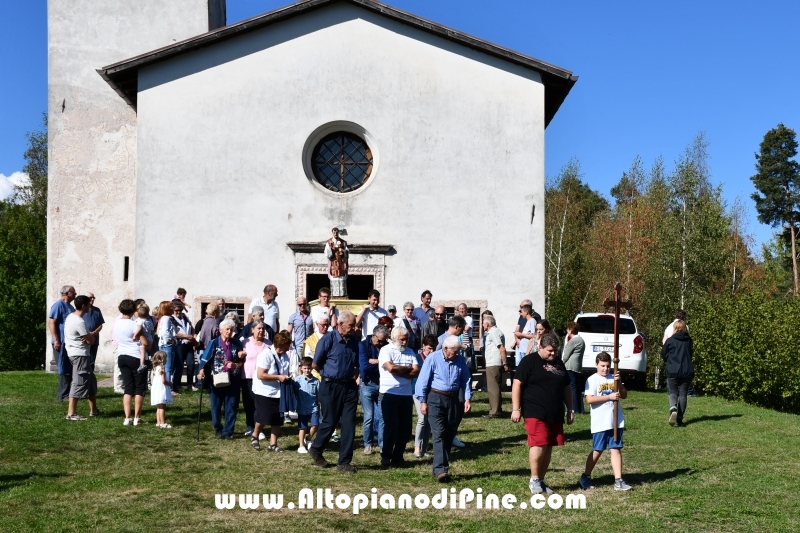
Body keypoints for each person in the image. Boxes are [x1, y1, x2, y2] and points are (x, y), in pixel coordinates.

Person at [511, 332, 574, 495]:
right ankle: (533, 479)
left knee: (549, 446)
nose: (553, 353)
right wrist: (516, 408)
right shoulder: (529, 362)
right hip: (534, 410)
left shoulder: (559, 363)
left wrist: (570, 408)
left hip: (555, 411)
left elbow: (567, 386)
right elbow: (517, 384)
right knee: (539, 443)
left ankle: (540, 479)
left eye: (555, 351)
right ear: (540, 347)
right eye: (549, 350)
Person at [414, 335, 472, 482]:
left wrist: (467, 398)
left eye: (459, 351)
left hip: (453, 399)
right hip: (435, 398)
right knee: (439, 433)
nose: (457, 354)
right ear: (446, 349)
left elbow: (466, 378)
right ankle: (442, 469)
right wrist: (423, 401)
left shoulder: (459, 360)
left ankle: (438, 466)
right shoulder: (433, 358)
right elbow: (422, 381)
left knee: (449, 432)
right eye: (455, 351)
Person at [309, 311, 360, 473]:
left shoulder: (354, 341)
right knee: (330, 421)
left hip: (349, 387)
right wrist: (330, 373)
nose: (353, 328)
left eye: (354, 325)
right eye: (351, 325)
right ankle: (316, 449)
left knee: (349, 423)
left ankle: (344, 461)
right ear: (340, 325)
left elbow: (356, 363)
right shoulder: (328, 340)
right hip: (330, 386)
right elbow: (316, 364)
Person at [579, 351, 631, 491]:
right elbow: (590, 399)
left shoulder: (613, 378)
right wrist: (609, 397)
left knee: (616, 448)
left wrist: (619, 382)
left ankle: (618, 480)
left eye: (607, 366)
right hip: (600, 421)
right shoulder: (592, 380)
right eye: (602, 365)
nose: (605, 369)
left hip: (615, 421)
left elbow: (624, 395)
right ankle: (586, 476)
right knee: (598, 449)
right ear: (596, 365)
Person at [378, 326, 420, 468]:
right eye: (402, 339)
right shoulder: (386, 350)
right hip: (389, 393)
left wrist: (401, 370)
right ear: (395, 339)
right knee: (391, 426)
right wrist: (407, 368)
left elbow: (416, 371)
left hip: (406, 394)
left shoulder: (410, 352)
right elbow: (391, 368)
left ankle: (398, 456)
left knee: (406, 428)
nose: (405, 342)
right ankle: (386, 456)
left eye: (406, 339)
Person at [197, 319, 246, 439]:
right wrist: (201, 370)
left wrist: (235, 365)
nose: (229, 332)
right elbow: (205, 358)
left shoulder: (236, 343)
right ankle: (218, 428)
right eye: (227, 329)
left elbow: (242, 362)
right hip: (216, 379)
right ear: (221, 330)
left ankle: (228, 431)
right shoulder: (214, 343)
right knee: (216, 406)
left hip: (232, 378)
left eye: (231, 329)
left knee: (231, 405)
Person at [249, 331, 291, 451]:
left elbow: (285, 371)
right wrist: (278, 377)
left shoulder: (285, 355)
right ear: (279, 345)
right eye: (286, 346)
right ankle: (255, 435)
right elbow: (261, 375)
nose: (288, 349)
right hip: (264, 391)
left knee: (277, 418)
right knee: (264, 417)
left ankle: (273, 444)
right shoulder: (265, 355)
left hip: (278, 391)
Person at [113, 299, 150, 426]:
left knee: (128, 388)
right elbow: (144, 342)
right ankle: (137, 417)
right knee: (140, 388)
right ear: (134, 310)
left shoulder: (116, 323)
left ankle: (127, 418)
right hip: (135, 356)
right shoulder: (134, 324)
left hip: (122, 356)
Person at [64, 295, 100, 420]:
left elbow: (87, 338)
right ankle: (71, 413)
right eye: (89, 304)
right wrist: (91, 337)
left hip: (76, 353)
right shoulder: (79, 321)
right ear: (84, 306)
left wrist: (89, 337)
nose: (91, 305)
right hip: (80, 354)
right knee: (79, 382)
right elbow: (90, 341)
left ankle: (94, 410)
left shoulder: (70, 317)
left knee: (91, 382)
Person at [435, 315, 469, 448]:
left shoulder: (456, 339)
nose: (462, 331)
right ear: (457, 327)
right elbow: (435, 358)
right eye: (461, 329)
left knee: (458, 409)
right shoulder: (442, 340)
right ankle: (447, 435)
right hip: (443, 384)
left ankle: (451, 434)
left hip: (457, 379)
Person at [359, 324, 389, 455]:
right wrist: (382, 362)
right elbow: (364, 366)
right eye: (380, 340)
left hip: (382, 384)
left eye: (384, 340)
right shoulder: (363, 345)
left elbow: (390, 365)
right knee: (369, 417)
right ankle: (368, 444)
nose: (382, 343)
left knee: (382, 417)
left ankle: (382, 444)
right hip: (367, 384)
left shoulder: (386, 346)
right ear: (373, 336)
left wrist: (375, 361)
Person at [661, 319, 694, 426]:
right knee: (683, 394)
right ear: (685, 328)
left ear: (675, 328)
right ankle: (680, 418)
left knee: (673, 392)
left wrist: (669, 361)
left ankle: (673, 409)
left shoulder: (670, 340)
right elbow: (690, 353)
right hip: (686, 370)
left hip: (672, 369)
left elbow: (664, 354)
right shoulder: (689, 341)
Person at [242, 320, 271, 440]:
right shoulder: (245, 342)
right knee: (249, 403)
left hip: (262, 378)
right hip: (248, 377)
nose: (261, 331)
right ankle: (250, 426)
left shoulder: (269, 344)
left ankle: (260, 428)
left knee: (261, 404)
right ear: (252, 330)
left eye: (263, 328)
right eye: (258, 328)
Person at [157, 301, 193, 396]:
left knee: (179, 365)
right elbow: (165, 333)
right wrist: (171, 340)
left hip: (169, 345)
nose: (172, 310)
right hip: (168, 345)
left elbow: (171, 330)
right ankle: (169, 389)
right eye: (171, 308)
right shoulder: (166, 319)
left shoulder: (167, 319)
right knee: (168, 368)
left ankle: (174, 385)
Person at [49, 285, 76, 402]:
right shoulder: (58, 305)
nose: (75, 294)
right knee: (63, 368)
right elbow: (51, 323)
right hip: (60, 343)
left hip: (69, 342)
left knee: (69, 369)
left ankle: (68, 394)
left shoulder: (71, 307)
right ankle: (62, 396)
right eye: (73, 292)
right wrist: (56, 340)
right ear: (67, 293)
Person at [413, 334, 437, 458]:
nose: (431, 351)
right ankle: (417, 447)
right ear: (423, 347)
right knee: (422, 419)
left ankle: (424, 448)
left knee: (428, 421)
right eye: (429, 348)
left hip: (431, 392)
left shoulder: (435, 359)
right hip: (417, 392)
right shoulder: (417, 358)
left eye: (433, 348)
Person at [482, 315, 508, 418]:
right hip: (493, 363)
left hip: (494, 363)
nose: (482, 324)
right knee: (494, 387)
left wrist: (505, 363)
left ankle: (495, 411)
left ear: (487, 324)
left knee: (493, 388)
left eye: (483, 323)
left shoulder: (493, 332)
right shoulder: (495, 331)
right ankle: (496, 409)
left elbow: (501, 348)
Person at [294, 357, 320, 454]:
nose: (307, 370)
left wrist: (319, 404)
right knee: (302, 427)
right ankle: (301, 445)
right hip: (302, 408)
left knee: (315, 425)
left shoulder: (316, 381)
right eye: (305, 368)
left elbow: (319, 395)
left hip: (313, 407)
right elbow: (294, 393)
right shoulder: (297, 380)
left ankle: (308, 438)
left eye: (308, 368)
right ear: (301, 368)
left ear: (312, 368)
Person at [562, 321, 587, 414]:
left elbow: (566, 355)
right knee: (576, 388)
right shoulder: (581, 340)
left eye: (568, 329)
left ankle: (575, 409)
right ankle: (580, 408)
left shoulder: (573, 341)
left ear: (571, 330)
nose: (567, 330)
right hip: (577, 366)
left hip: (570, 366)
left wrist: (561, 363)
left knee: (572, 388)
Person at [172, 300, 194, 393]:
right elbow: (174, 333)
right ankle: (178, 384)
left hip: (188, 344)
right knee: (179, 365)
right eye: (176, 310)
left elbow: (191, 328)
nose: (178, 312)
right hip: (179, 344)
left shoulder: (185, 317)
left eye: (180, 310)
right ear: (173, 310)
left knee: (191, 363)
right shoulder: (171, 319)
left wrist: (192, 336)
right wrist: (186, 336)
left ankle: (190, 384)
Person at [150, 350, 174, 429]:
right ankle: (163, 423)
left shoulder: (155, 368)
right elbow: (163, 381)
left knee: (158, 407)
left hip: (156, 389)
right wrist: (170, 383)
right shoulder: (162, 369)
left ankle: (158, 422)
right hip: (161, 389)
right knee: (162, 406)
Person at [83, 292, 105, 372]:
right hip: (84, 339)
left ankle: (90, 377)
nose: (92, 299)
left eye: (93, 298)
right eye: (90, 298)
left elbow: (100, 325)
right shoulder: (81, 310)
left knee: (92, 360)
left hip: (94, 339)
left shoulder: (97, 310)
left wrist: (94, 332)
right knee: (84, 359)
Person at [325, 227, 350, 297]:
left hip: (341, 264)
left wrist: (344, 251)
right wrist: (330, 249)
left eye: (337, 232)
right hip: (333, 264)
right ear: (332, 233)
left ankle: (343, 295)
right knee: (334, 279)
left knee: (341, 279)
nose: (335, 233)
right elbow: (327, 254)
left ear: (338, 232)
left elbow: (347, 252)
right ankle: (334, 295)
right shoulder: (329, 242)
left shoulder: (343, 242)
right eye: (334, 232)